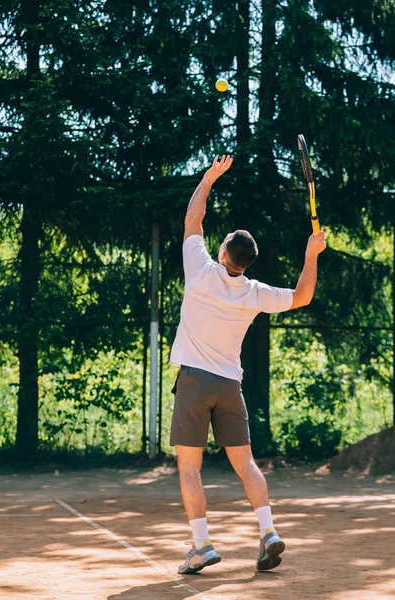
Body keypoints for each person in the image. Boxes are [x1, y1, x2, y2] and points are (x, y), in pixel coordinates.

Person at [170, 155, 326, 575]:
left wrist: (208, 178)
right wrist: (311, 253)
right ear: (246, 263)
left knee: (189, 465)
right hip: (229, 387)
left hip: (194, 383)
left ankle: (201, 545)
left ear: (222, 252)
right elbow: (302, 295)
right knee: (246, 462)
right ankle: (268, 531)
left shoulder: (200, 269)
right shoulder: (255, 292)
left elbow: (193, 218)